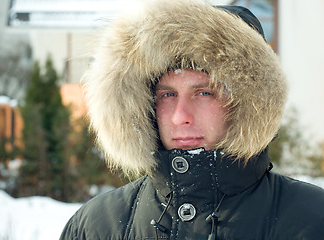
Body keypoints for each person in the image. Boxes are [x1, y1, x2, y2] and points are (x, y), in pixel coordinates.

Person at [60, 0, 324, 239]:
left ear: (247, 104)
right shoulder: (96, 227)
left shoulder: (312, 221)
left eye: (205, 93)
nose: (180, 116)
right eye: (167, 95)